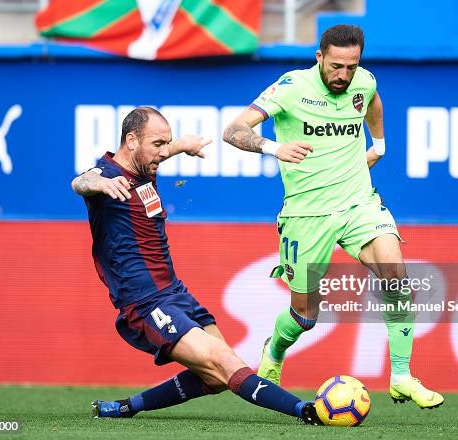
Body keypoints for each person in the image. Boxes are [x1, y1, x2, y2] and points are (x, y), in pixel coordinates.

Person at [223, 24, 443, 409]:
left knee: (396, 272)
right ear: (319, 57)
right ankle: (274, 350)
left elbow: (372, 99)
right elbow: (234, 130)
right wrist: (274, 147)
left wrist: (380, 144)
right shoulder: (291, 86)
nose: (344, 75)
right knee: (305, 315)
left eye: (351, 66)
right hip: (307, 214)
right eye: (336, 66)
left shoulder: (364, 81)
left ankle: (402, 376)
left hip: (359, 203)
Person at [71, 106, 322, 424]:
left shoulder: (143, 165)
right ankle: (305, 410)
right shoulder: (108, 178)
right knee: (223, 362)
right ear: (131, 140)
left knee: (217, 377)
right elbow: (81, 181)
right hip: (145, 303)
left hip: (174, 292)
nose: (162, 153)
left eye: (167, 143)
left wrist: (182, 146)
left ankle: (126, 407)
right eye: (158, 145)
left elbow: (158, 153)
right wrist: (93, 183)